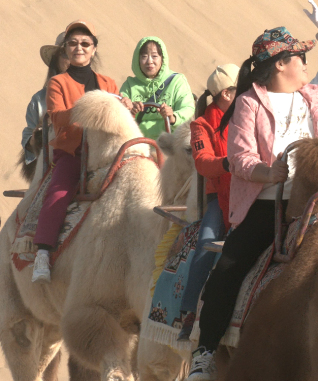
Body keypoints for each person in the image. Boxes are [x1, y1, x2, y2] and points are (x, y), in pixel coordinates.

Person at [187, 27, 318, 381]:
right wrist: (268, 172)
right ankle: (204, 351)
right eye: (300, 58)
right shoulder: (249, 103)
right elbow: (239, 156)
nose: (306, 65)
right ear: (281, 64)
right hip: (270, 204)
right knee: (230, 267)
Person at [32, 20, 130, 283]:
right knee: (58, 191)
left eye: (85, 43)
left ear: (94, 49)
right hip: (73, 151)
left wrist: (125, 105)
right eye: (73, 43)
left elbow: (116, 117)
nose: (79, 48)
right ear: (65, 48)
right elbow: (57, 117)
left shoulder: (108, 83)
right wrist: (91, 106)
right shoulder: (58, 83)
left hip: (106, 152)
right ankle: (42, 253)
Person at [177, 64, 239, 341]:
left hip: (252, 188)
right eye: (241, 87)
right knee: (206, 243)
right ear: (226, 93)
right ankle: (189, 314)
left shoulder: (248, 115)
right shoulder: (201, 125)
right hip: (221, 194)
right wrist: (230, 163)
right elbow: (203, 162)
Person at [120, 37, 195, 139]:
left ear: (162, 58)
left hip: (169, 145)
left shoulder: (176, 81)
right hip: (136, 144)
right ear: (138, 59)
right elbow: (117, 114)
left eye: (154, 56)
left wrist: (172, 117)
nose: (149, 61)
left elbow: (188, 109)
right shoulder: (129, 85)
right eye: (144, 56)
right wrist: (129, 110)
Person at [21, 32, 70, 168]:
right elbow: (29, 149)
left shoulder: (96, 93)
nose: (73, 58)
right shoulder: (39, 100)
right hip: (52, 169)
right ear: (56, 59)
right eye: (66, 53)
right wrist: (38, 137)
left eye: (78, 53)